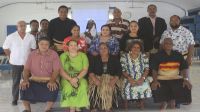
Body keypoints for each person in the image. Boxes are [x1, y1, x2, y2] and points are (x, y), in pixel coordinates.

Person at [19, 37, 60, 112]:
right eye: (42, 44)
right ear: (38, 44)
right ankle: (27, 110)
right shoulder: (32, 54)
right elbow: (26, 69)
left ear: (49, 45)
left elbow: (56, 70)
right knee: (23, 86)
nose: (44, 46)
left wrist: (52, 81)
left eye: (46, 44)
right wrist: (25, 80)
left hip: (48, 79)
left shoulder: (54, 54)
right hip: (34, 79)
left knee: (54, 87)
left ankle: (47, 109)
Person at [151, 38, 192, 111]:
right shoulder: (157, 55)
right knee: (157, 86)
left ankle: (173, 100)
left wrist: (186, 79)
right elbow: (154, 69)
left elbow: (184, 67)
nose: (168, 45)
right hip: (162, 78)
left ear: (172, 45)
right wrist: (155, 81)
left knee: (185, 85)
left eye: (170, 44)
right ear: (163, 45)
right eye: (166, 43)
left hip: (175, 77)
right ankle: (165, 102)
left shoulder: (178, 55)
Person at [2, 20, 36, 105]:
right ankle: (15, 99)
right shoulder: (11, 36)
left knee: (29, 80)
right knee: (16, 81)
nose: (22, 27)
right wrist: (10, 56)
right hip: (15, 62)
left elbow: (33, 49)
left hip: (27, 63)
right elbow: (5, 48)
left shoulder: (31, 37)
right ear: (17, 27)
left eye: (24, 25)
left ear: (26, 27)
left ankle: (30, 98)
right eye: (20, 25)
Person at [88, 43, 122, 112]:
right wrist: (95, 79)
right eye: (101, 48)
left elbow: (119, 70)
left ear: (108, 49)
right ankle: (94, 107)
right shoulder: (94, 58)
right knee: (94, 88)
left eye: (105, 48)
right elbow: (90, 70)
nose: (103, 50)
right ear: (98, 50)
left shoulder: (114, 58)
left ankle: (108, 107)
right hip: (97, 77)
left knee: (110, 87)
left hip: (110, 78)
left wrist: (114, 79)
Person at [120, 40, 152, 110]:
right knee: (126, 88)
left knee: (145, 87)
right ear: (130, 48)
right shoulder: (124, 56)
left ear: (140, 49)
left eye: (138, 47)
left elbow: (147, 69)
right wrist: (130, 79)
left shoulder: (144, 56)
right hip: (128, 77)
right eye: (134, 47)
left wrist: (142, 79)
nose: (136, 49)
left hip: (141, 76)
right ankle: (126, 104)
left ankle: (141, 103)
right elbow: (123, 70)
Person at [59, 39, 89, 112]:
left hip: (80, 77)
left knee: (83, 86)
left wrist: (77, 78)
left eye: (75, 45)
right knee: (68, 87)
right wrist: (70, 79)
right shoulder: (63, 56)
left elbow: (85, 69)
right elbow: (61, 70)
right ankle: (72, 108)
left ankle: (78, 105)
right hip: (66, 77)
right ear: (68, 47)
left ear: (78, 47)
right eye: (71, 45)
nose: (73, 47)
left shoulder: (83, 55)